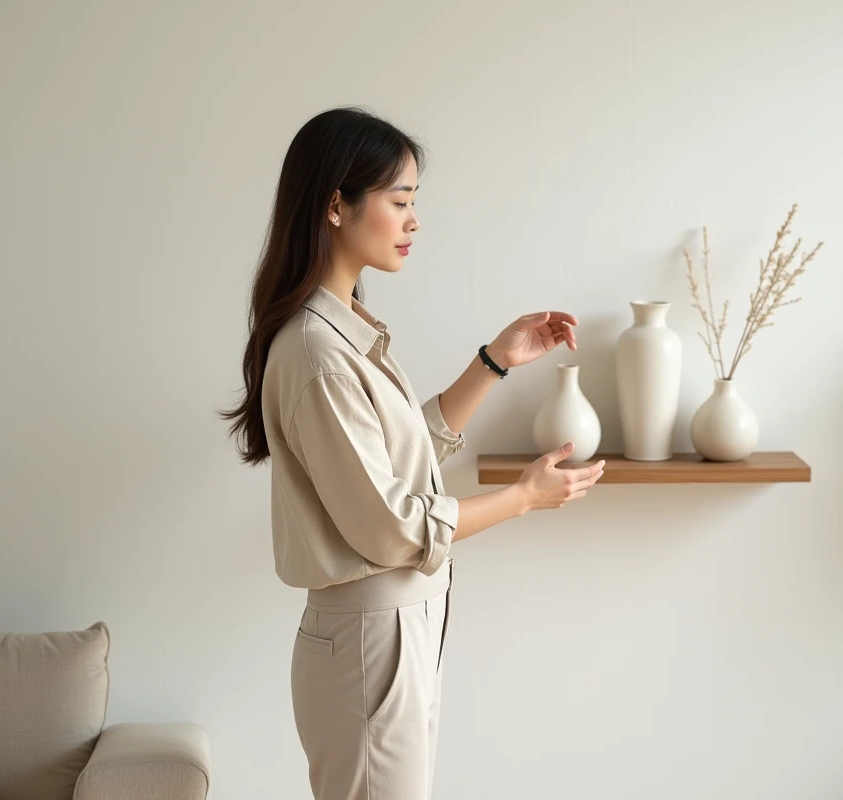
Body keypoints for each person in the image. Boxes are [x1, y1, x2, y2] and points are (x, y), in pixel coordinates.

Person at [218, 105, 606, 799]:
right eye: (400, 201)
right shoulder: (316, 352)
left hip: (392, 633)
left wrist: (495, 361)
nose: (414, 220)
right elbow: (394, 525)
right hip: (373, 640)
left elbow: (397, 462)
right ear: (337, 205)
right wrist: (523, 499)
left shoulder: (342, 335)